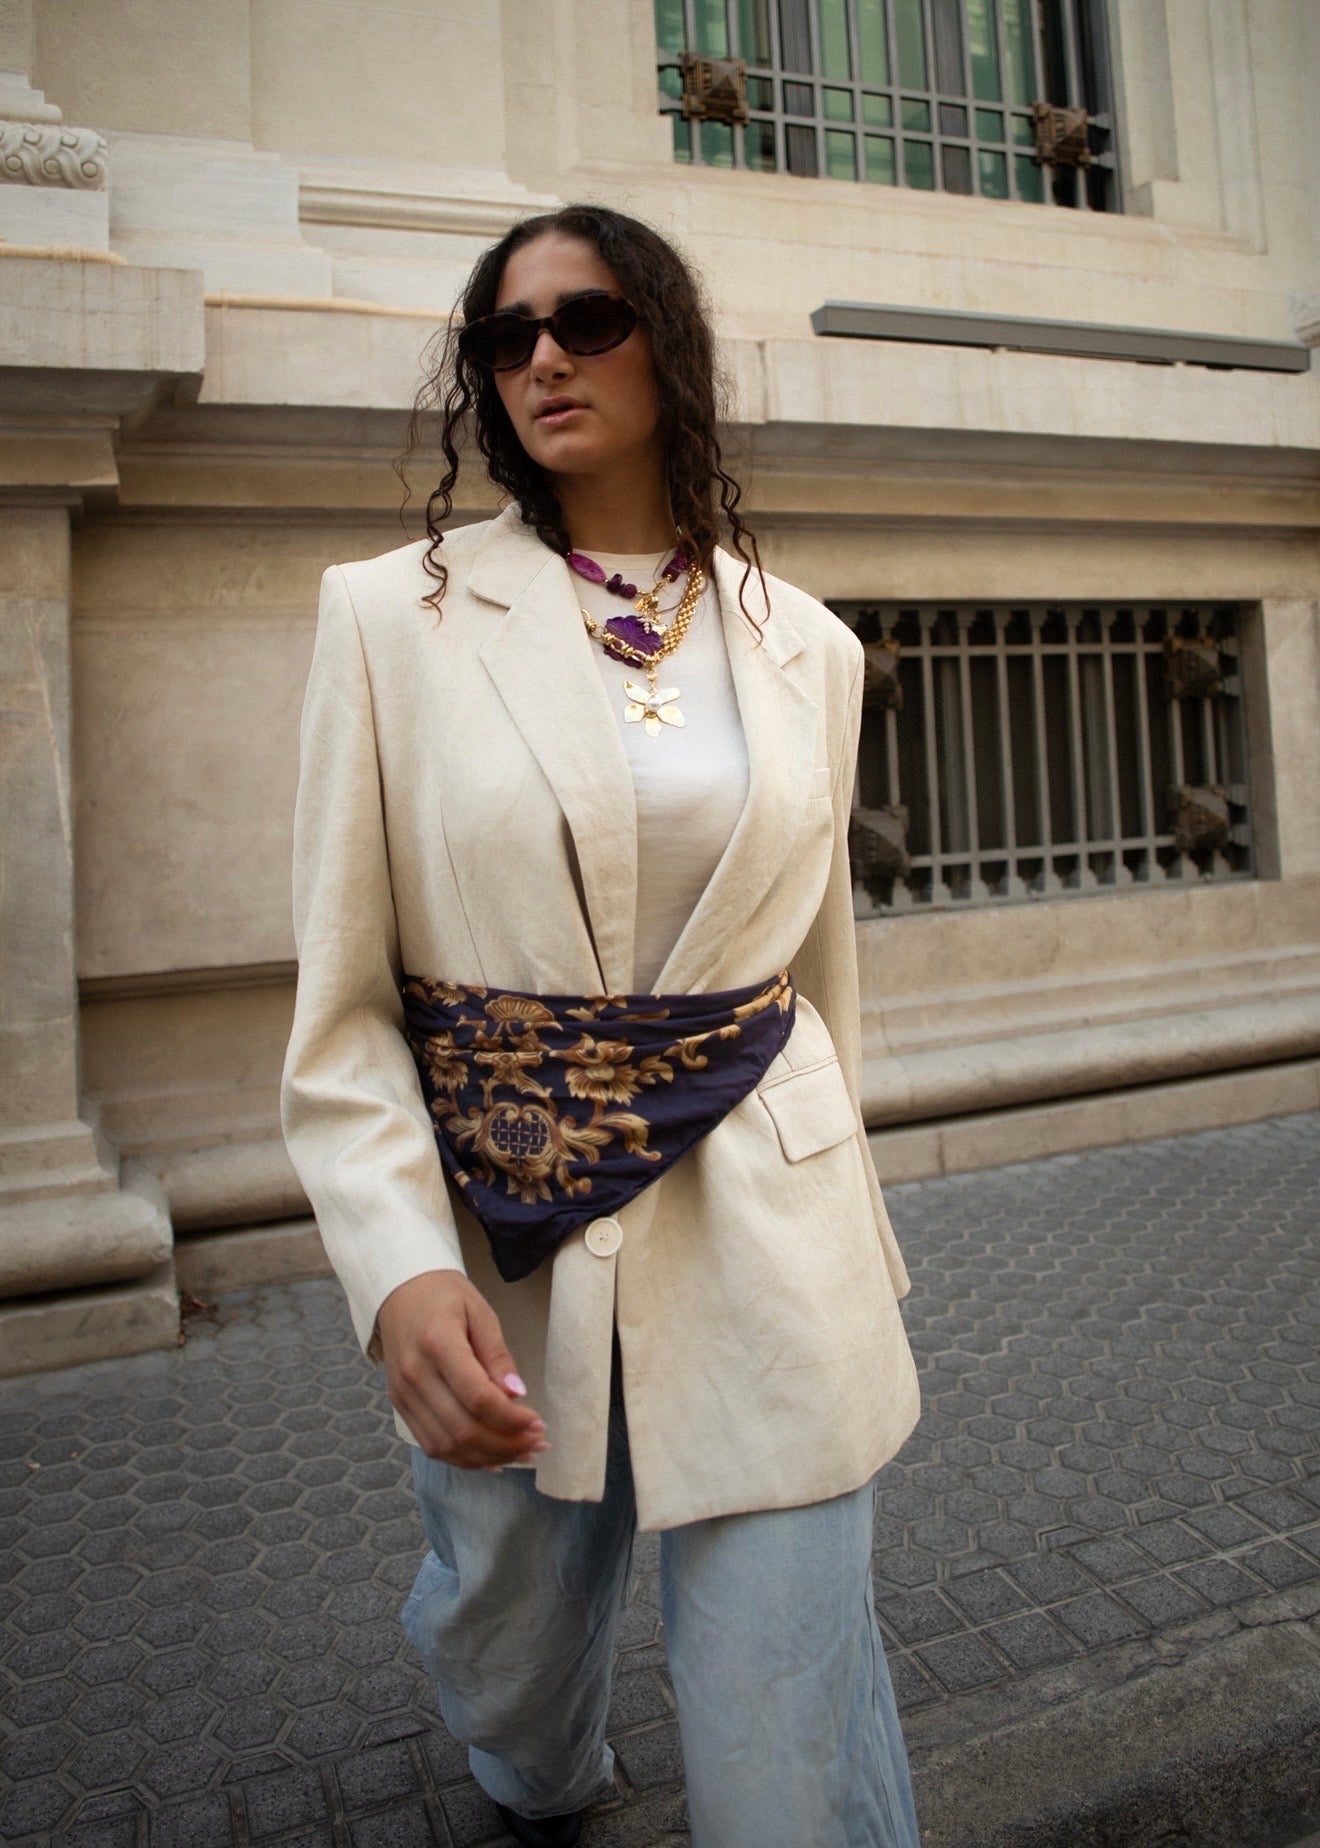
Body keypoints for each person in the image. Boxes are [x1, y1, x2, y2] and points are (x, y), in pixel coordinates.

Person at [281, 204, 922, 1848]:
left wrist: (860, 1230)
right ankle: (533, 1764)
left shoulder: (809, 647)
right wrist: (396, 1267)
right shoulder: (390, 620)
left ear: (670, 344)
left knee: (794, 1711)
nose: (544, 359)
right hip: (507, 1226)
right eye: (507, 337)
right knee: (511, 1638)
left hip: (770, 1229)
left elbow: (817, 977)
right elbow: (343, 1012)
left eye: (587, 320)